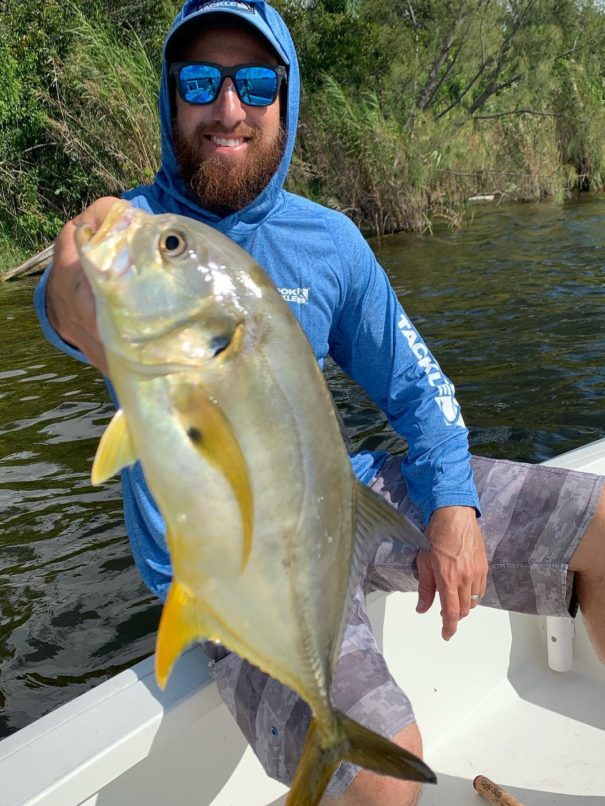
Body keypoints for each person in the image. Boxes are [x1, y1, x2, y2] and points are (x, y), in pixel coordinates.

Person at [34, 1, 605, 804]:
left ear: (285, 100)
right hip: (231, 566)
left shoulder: (330, 240)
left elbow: (415, 385)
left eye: (255, 83)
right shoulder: (134, 241)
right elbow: (71, 311)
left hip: (338, 494)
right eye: (201, 81)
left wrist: (452, 506)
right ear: (171, 99)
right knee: (385, 772)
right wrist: (75, 286)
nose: (228, 108)